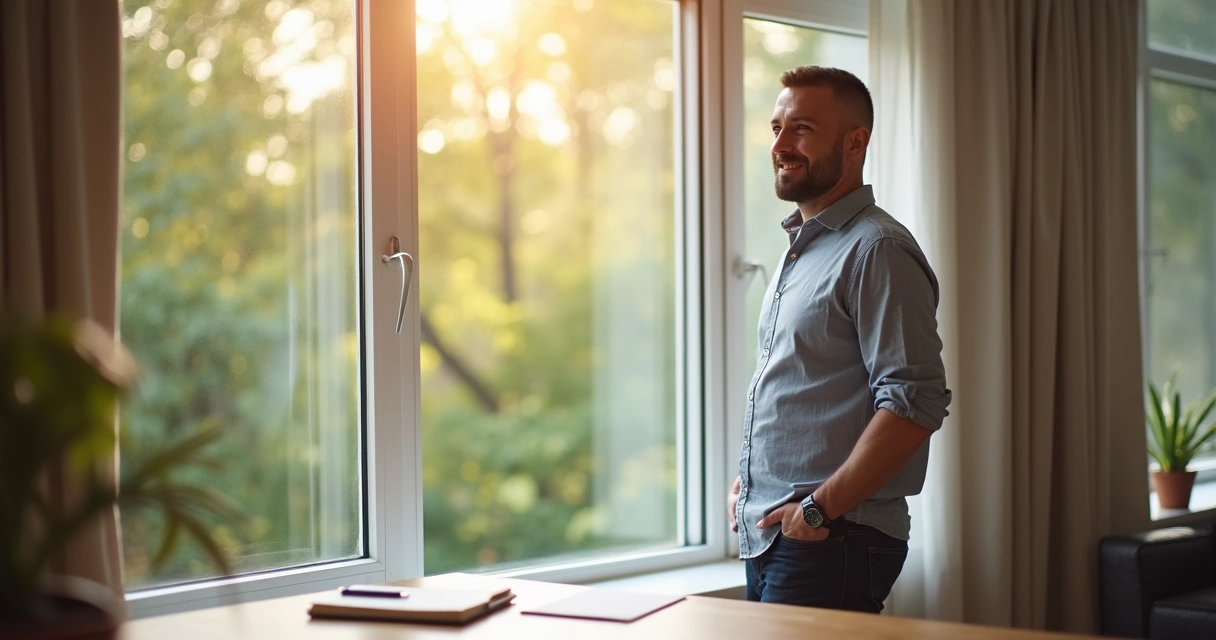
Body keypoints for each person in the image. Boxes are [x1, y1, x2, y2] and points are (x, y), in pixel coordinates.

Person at [729, 65, 951, 613]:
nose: (780, 144)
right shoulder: (802, 250)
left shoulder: (877, 250)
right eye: (776, 127)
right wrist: (751, 482)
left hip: (833, 537)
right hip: (780, 536)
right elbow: (808, 387)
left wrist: (818, 510)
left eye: (801, 128)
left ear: (856, 142)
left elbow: (913, 404)